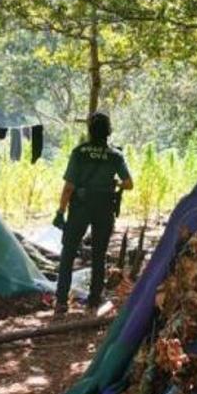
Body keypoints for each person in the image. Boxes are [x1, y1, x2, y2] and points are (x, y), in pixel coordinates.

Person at [53, 112, 133, 315]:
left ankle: (61, 301)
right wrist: (113, 183)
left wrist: (61, 211)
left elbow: (69, 186)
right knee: (99, 254)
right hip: (104, 208)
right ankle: (94, 301)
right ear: (108, 131)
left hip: (80, 207)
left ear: (89, 130)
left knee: (68, 253)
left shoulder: (79, 152)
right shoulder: (115, 155)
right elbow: (129, 183)